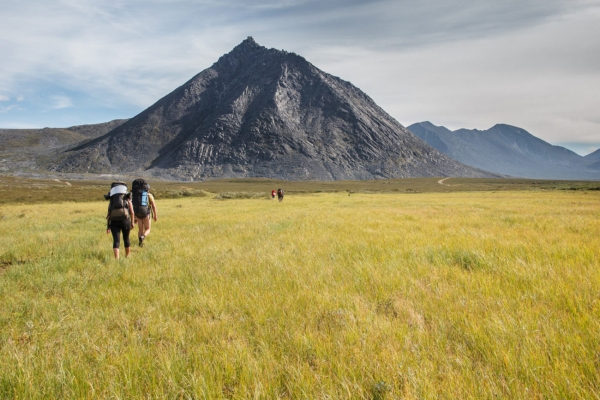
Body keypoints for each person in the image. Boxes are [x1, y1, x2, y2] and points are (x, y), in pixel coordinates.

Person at [105, 184, 135, 259]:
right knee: (126, 238)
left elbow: (109, 214)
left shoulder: (112, 200)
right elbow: (132, 212)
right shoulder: (127, 198)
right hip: (125, 221)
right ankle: (127, 256)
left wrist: (108, 227)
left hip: (114, 221)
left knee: (116, 240)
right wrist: (132, 222)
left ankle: (117, 259)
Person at [133, 182, 157, 247]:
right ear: (148, 189)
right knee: (148, 229)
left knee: (140, 230)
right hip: (146, 213)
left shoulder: (138, 196)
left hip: (138, 214)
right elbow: (153, 206)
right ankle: (143, 237)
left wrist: (134, 217)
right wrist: (155, 215)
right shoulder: (149, 195)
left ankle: (140, 243)